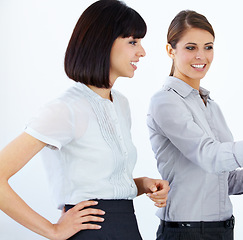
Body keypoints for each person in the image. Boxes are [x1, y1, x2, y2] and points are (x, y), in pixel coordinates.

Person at [0, 1, 169, 239]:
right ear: (103, 42)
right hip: (91, 233)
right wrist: (52, 230)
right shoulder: (65, 108)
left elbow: (99, 181)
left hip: (127, 227)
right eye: (133, 42)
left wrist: (143, 184)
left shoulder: (120, 103)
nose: (142, 52)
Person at [146, 10, 243, 240]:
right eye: (191, 47)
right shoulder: (165, 101)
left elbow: (225, 179)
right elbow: (211, 157)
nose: (201, 56)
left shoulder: (211, 106)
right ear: (170, 50)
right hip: (185, 233)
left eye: (208, 47)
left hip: (221, 230)